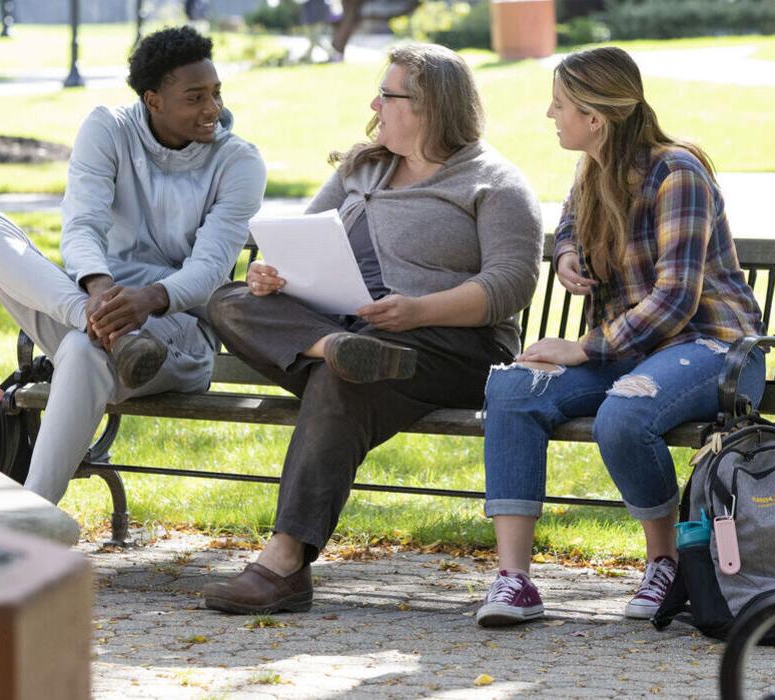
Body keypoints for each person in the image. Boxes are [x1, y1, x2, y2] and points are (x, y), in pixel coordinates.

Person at [200, 43, 543, 615]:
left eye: (388, 95)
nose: (374, 104)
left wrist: (419, 310)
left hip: (447, 346)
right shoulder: (364, 166)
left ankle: (283, 563)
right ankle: (335, 349)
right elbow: (301, 236)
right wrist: (271, 274)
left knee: (341, 381)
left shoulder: (494, 183)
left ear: (429, 106)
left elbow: (511, 284)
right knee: (230, 299)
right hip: (349, 330)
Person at [473, 46, 767, 627]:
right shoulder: (595, 171)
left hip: (711, 349)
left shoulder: (678, 172)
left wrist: (583, 348)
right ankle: (515, 580)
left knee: (623, 415)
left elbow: (677, 298)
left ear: (595, 118)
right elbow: (567, 220)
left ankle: (667, 563)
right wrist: (564, 254)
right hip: (633, 352)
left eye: (558, 105)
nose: (549, 114)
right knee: (512, 391)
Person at [0, 26, 267, 504]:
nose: (213, 109)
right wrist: (101, 297)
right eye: (195, 97)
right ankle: (101, 328)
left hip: (176, 333)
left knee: (83, 353)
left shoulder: (239, 162)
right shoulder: (108, 128)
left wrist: (147, 300)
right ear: (154, 99)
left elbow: (209, 271)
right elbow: (82, 225)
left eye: (215, 92)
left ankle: (30, 518)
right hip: (92, 310)